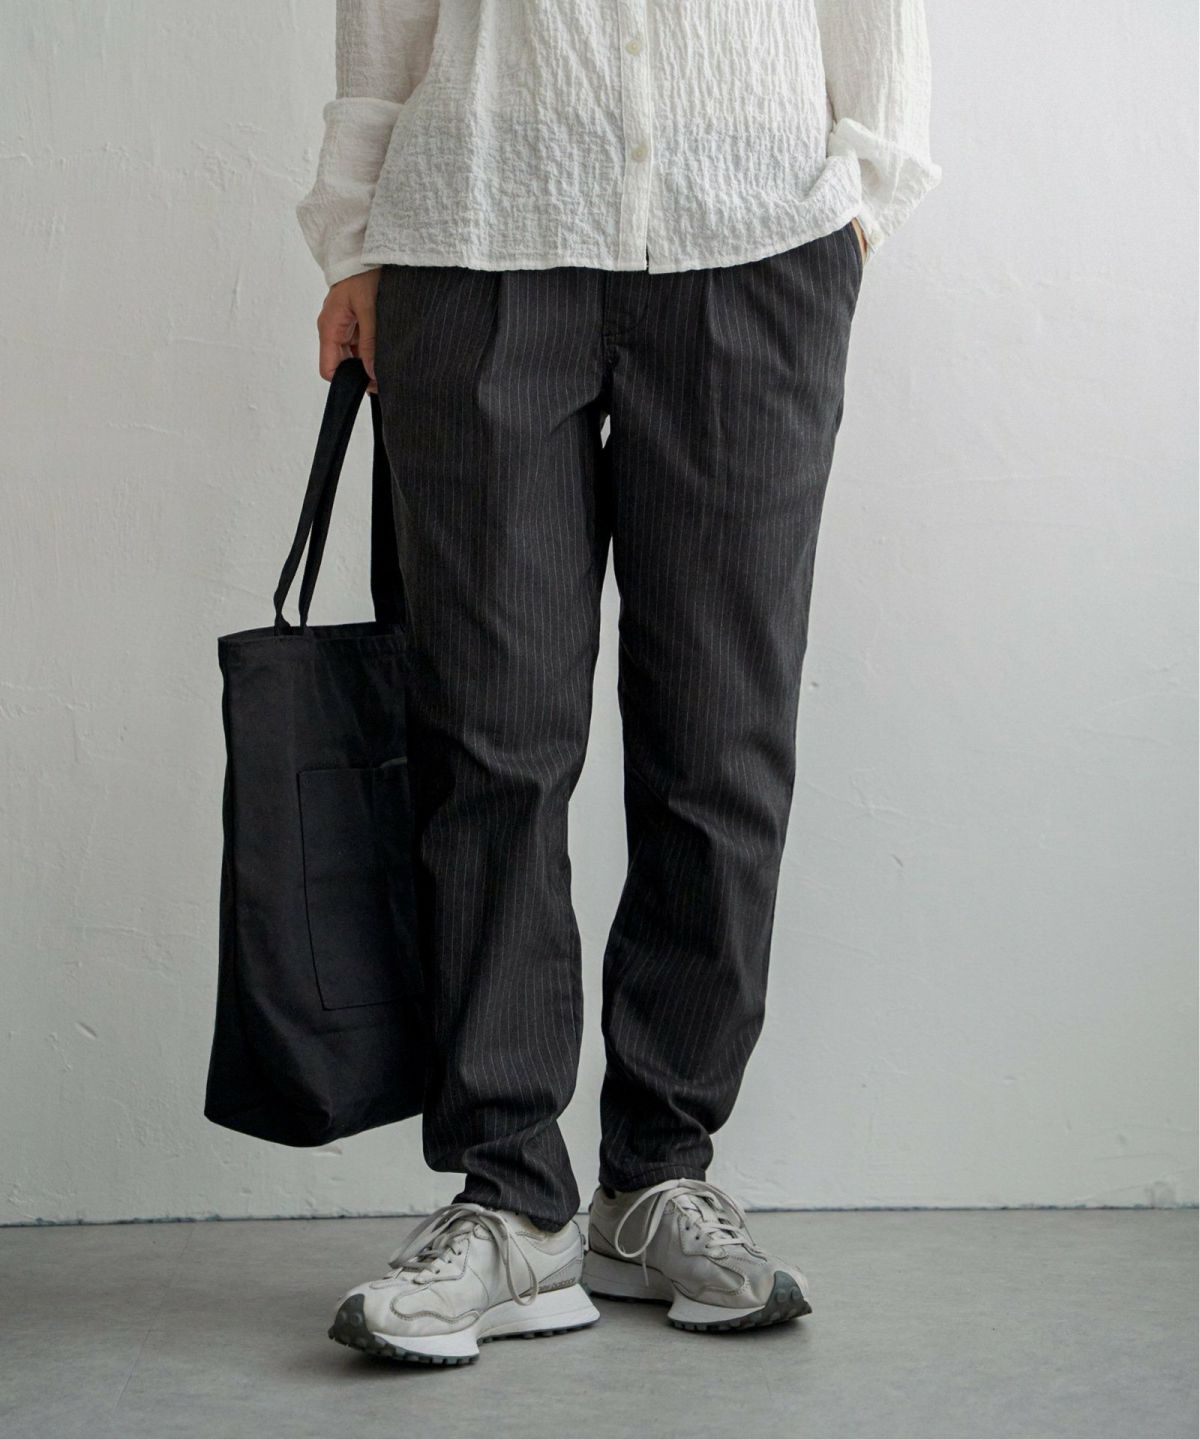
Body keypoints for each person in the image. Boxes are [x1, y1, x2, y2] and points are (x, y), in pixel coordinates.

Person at [296, 0, 941, 1367]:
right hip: (476, 226)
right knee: (490, 740)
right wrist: (354, 239)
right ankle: (511, 1199)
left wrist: (860, 202)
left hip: (754, 232)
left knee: (723, 738)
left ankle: (657, 1176)